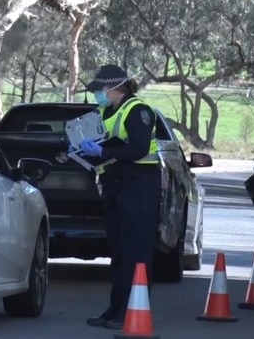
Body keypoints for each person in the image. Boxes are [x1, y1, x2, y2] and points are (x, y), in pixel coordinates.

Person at [72, 64, 161, 330]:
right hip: (116, 184)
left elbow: (138, 148)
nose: (98, 93)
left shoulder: (138, 111)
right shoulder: (105, 110)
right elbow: (101, 140)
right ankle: (115, 308)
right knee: (119, 251)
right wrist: (79, 148)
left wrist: (102, 152)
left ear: (114, 87)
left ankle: (132, 310)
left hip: (140, 184)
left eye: (100, 88)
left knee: (136, 251)